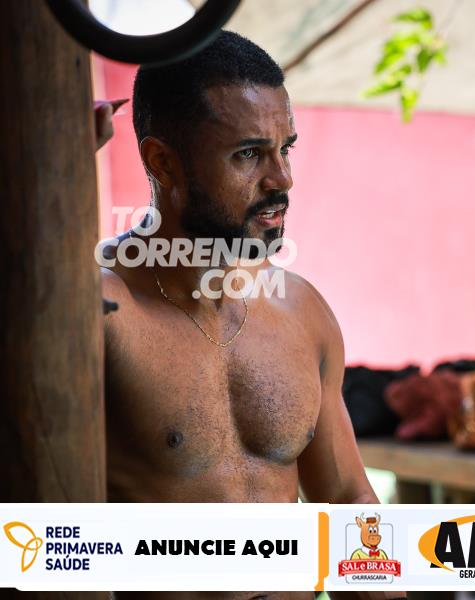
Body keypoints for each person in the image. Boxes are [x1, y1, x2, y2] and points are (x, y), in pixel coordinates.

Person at [98, 31, 402, 600]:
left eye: (286, 149)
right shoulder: (101, 312)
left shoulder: (301, 310)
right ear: (162, 161)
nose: (281, 179)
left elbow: (347, 499)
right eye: (248, 154)